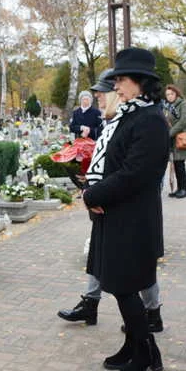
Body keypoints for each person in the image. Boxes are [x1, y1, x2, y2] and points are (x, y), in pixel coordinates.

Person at [83, 47, 167, 371]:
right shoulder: (131, 115)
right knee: (117, 284)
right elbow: (110, 163)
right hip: (116, 213)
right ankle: (133, 344)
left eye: (122, 79)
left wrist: (94, 194)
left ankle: (146, 352)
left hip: (134, 218)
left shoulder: (150, 121)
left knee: (126, 286)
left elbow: (135, 173)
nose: (117, 85)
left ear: (141, 83)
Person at [57, 69, 164, 333]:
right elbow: (105, 161)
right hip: (107, 200)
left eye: (103, 91)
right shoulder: (115, 121)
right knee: (104, 261)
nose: (99, 97)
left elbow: (131, 172)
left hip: (124, 207)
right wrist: (89, 182)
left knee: (132, 273)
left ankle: (151, 316)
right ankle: (93, 303)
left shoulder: (143, 119)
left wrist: (94, 192)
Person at [164, 85, 186, 198]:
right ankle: (179, 188)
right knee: (175, 164)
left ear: (176, 94)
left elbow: (183, 121)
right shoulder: (168, 106)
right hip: (173, 139)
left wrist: (170, 132)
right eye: (167, 95)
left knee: (180, 164)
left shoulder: (183, 104)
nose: (169, 96)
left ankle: (184, 189)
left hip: (181, 137)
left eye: (171, 94)